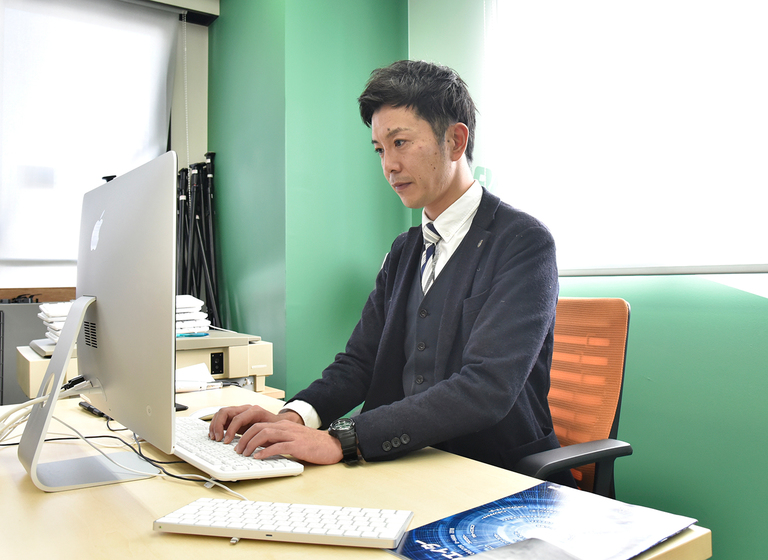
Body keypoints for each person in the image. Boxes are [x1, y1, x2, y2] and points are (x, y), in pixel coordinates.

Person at [209, 60, 573, 486]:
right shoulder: (404, 250)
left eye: (400, 142)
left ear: (455, 141)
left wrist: (344, 439)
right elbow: (360, 362)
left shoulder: (523, 242)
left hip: (496, 476)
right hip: (407, 464)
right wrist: (292, 417)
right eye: (380, 150)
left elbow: (486, 388)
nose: (389, 166)